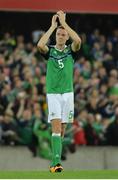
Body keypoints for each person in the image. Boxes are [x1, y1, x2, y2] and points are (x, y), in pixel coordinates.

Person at [37, 10, 81, 173]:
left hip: (68, 94)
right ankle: (55, 162)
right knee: (56, 127)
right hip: (53, 93)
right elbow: (40, 45)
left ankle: (56, 158)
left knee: (62, 130)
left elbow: (77, 40)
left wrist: (64, 23)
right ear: (55, 36)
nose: (61, 36)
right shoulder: (50, 52)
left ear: (66, 37)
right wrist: (52, 26)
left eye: (63, 34)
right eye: (59, 34)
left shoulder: (71, 50)